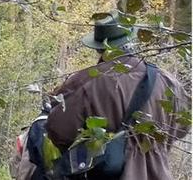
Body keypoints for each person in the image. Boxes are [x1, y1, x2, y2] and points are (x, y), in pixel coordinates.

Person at [45, 13, 189, 179]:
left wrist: (98, 142)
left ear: (99, 47)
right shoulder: (167, 81)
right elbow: (182, 127)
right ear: (132, 40)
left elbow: (58, 130)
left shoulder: (86, 82)